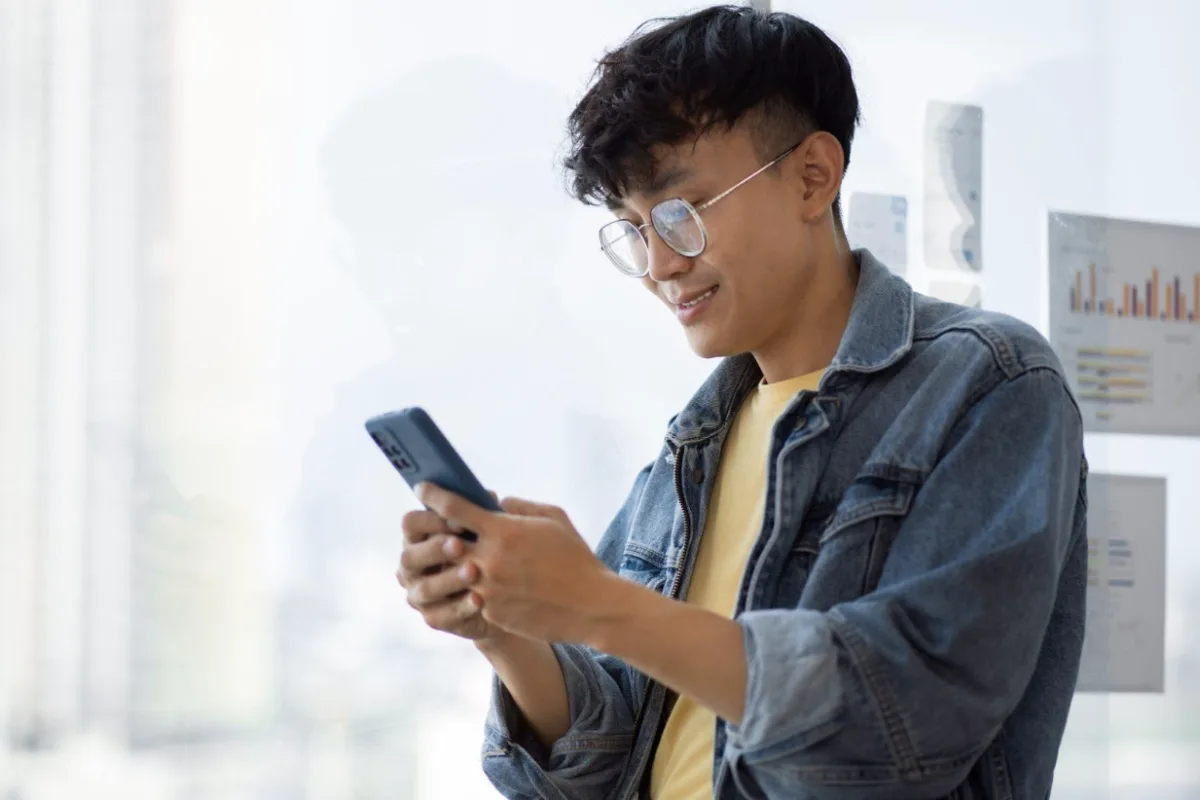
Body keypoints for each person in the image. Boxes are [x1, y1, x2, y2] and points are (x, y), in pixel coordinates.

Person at [395, 6, 1088, 799]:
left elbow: (902, 728)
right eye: (632, 229)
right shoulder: (695, 440)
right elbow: (604, 759)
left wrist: (595, 605)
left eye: (680, 213)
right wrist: (507, 631)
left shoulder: (989, 382)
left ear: (812, 176)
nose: (658, 264)